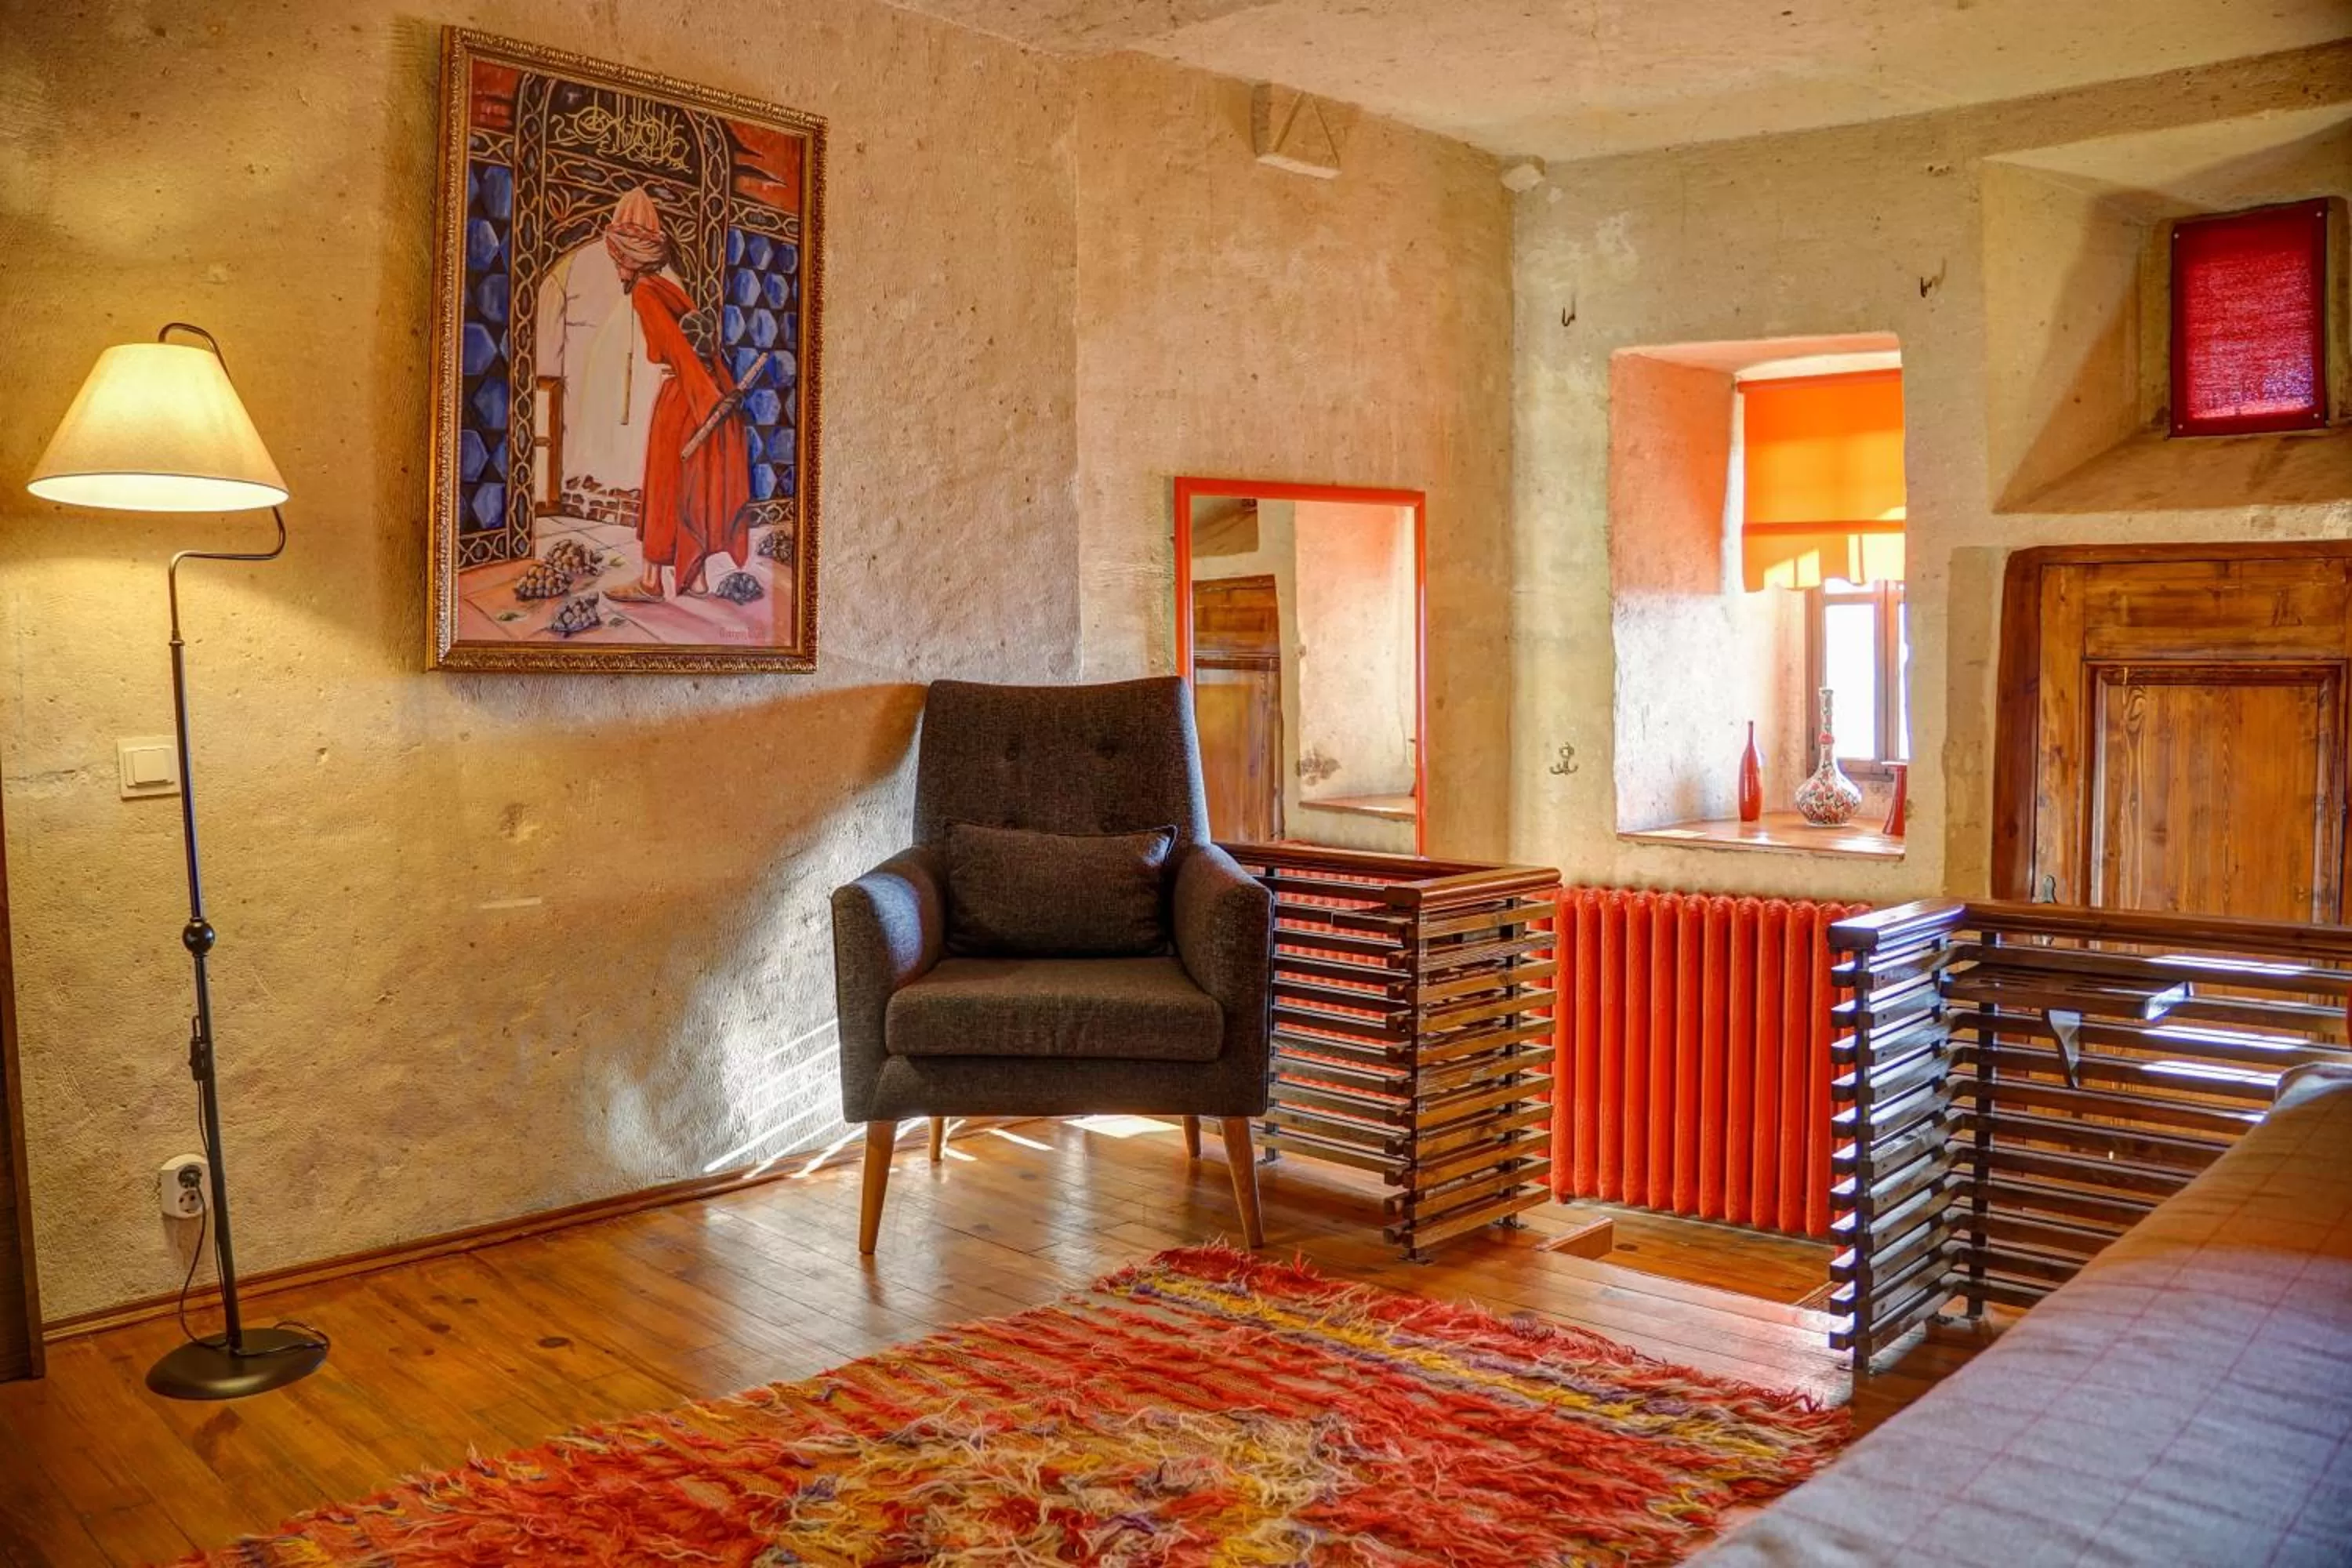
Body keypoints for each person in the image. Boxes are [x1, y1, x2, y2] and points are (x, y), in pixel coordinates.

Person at [598, 189, 751, 602]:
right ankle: (697, 579)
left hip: (682, 399)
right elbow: (705, 350)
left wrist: (706, 401)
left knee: (665, 486)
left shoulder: (648, 293)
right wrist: (720, 393)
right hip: (697, 396)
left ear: (627, 256)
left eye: (617, 258)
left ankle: (651, 581)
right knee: (690, 487)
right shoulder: (674, 290)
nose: (617, 268)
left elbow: (681, 349)